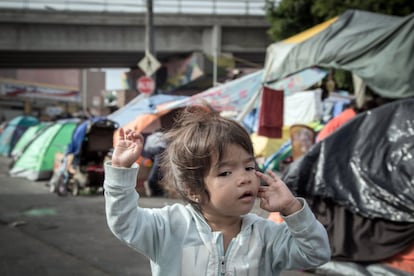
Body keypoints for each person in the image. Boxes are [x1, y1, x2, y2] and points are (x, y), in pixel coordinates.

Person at [104, 104, 331, 276]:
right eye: (225, 172)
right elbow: (124, 222)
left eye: (249, 167)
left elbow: (316, 253)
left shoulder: (267, 235)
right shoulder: (168, 227)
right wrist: (121, 169)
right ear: (193, 188)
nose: (244, 178)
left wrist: (292, 208)